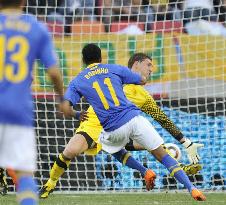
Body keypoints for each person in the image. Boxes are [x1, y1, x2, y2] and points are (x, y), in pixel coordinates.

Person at [39, 52, 203, 198]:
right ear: (136, 64)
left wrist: (185, 141)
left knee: (124, 144)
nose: (151, 69)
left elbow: (162, 118)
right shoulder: (114, 74)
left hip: (119, 126)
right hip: (93, 123)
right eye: (148, 65)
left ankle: (162, 165)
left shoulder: (143, 96)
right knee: (70, 152)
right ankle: (51, 183)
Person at [0, 0, 65, 205]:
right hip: (17, 110)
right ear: (24, 1)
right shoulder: (36, 27)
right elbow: (53, 72)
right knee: (25, 176)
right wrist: (62, 99)